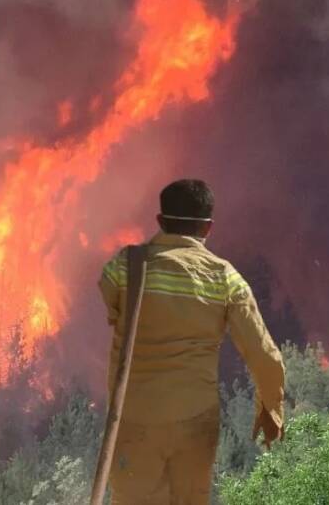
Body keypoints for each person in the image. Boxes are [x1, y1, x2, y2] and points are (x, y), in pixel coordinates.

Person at [98, 179, 285, 504]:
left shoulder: (126, 266)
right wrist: (270, 408)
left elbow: (108, 294)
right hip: (194, 419)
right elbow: (265, 355)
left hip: (134, 416)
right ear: (208, 227)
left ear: (160, 221)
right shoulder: (224, 277)